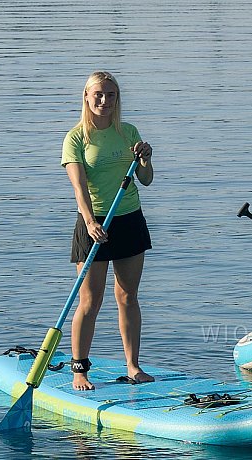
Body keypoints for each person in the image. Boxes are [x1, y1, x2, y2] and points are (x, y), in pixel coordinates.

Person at [61, 71, 155, 390]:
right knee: (90, 301)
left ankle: (133, 366)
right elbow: (79, 186)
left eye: (111, 95)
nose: (104, 100)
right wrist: (90, 221)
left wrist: (145, 159)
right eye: (98, 94)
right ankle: (79, 370)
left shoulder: (128, 132)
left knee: (128, 296)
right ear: (87, 97)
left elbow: (146, 180)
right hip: (95, 222)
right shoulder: (76, 138)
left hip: (129, 219)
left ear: (117, 99)